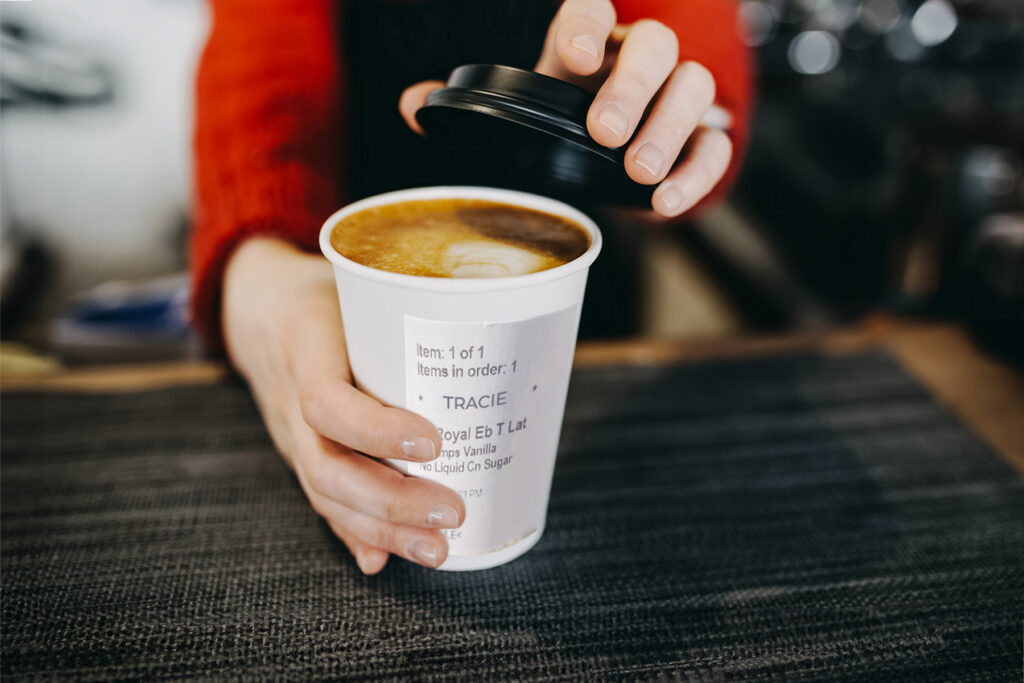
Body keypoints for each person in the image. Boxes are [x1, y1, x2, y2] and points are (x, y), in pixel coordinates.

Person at [191, 0, 753, 574]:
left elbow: (691, 35)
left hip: (577, 302)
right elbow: (265, 43)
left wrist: (668, 109)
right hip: (345, 264)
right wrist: (261, 272)